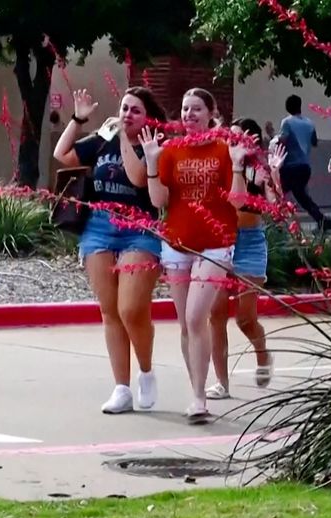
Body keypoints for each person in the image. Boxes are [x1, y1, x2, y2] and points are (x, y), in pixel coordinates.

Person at [53, 87, 167, 414]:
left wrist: (126, 139)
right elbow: (63, 154)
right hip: (99, 225)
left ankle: (146, 370)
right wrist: (78, 120)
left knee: (131, 308)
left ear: (148, 118)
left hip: (139, 228)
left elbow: (137, 178)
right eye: (124, 108)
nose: (127, 114)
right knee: (110, 311)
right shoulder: (104, 138)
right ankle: (121, 388)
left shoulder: (153, 145)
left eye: (135, 110)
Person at [138, 87, 247, 420]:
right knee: (186, 324)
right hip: (177, 245)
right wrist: (153, 163)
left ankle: (200, 399)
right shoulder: (171, 150)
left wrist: (238, 165)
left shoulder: (224, 149)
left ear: (211, 113)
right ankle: (197, 391)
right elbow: (159, 201)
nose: (189, 115)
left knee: (196, 317)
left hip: (216, 244)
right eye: (185, 109)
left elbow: (238, 202)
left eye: (197, 108)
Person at [207, 118, 286, 400]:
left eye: (238, 137)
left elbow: (277, 209)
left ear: (251, 141)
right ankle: (221, 382)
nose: (232, 142)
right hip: (221, 242)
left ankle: (262, 354)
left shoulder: (259, 169)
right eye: (230, 137)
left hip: (250, 243)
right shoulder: (220, 165)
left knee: (245, 319)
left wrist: (274, 176)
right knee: (216, 314)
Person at [278, 94, 331, 230]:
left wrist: (275, 139)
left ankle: (276, 221)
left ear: (287, 107)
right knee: (301, 196)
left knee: (278, 192)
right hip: (304, 166)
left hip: (289, 166)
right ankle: (321, 219)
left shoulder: (286, 122)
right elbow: (314, 142)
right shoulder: (310, 123)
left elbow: (283, 141)